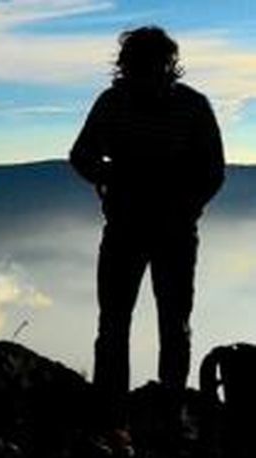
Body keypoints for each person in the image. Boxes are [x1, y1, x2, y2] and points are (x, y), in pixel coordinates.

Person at [69, 26, 225, 433]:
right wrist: (113, 180)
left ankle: (148, 415)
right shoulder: (183, 106)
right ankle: (128, 417)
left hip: (149, 230)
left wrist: (112, 180)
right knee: (139, 324)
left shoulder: (134, 104)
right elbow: (82, 155)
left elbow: (212, 172)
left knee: (154, 324)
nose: (146, 72)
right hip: (141, 230)